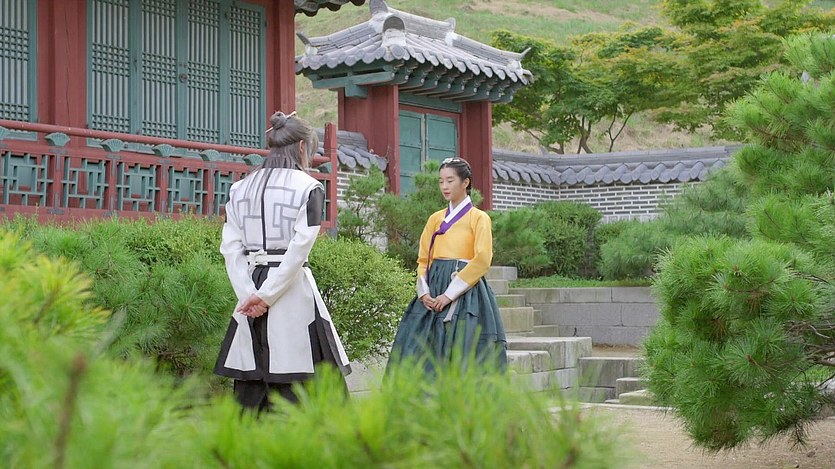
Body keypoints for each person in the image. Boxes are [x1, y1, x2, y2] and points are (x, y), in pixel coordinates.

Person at [214, 111, 351, 412]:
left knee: (251, 382)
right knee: (304, 378)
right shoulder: (308, 187)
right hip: (290, 289)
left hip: (250, 286)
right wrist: (267, 296)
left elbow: (230, 248)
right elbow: (299, 249)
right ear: (302, 146)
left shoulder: (239, 188)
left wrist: (249, 296)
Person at [387, 157, 507, 374]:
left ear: (465, 182)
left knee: (463, 348)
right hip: (433, 288)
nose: (444, 186)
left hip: (466, 291)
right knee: (419, 351)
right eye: (441, 181)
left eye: (450, 181)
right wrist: (424, 292)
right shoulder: (435, 219)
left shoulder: (479, 218)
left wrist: (449, 295)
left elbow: (482, 259)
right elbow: (423, 259)